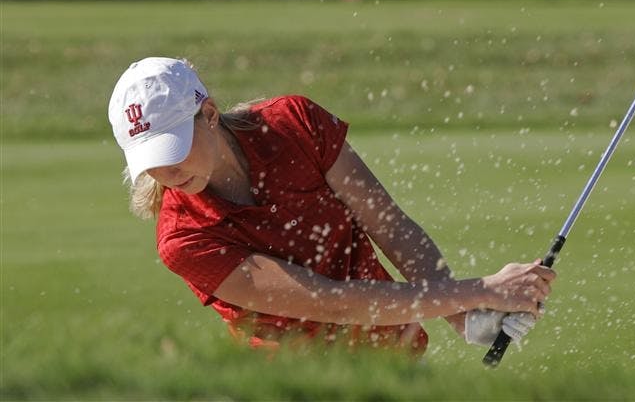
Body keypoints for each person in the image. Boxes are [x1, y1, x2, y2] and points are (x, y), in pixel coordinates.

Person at [108, 57, 556, 355]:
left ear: (208, 114)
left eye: (174, 149)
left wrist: (462, 316)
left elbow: (391, 226)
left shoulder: (294, 123)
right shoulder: (184, 239)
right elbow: (331, 302)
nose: (165, 173)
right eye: (150, 162)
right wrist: (480, 291)